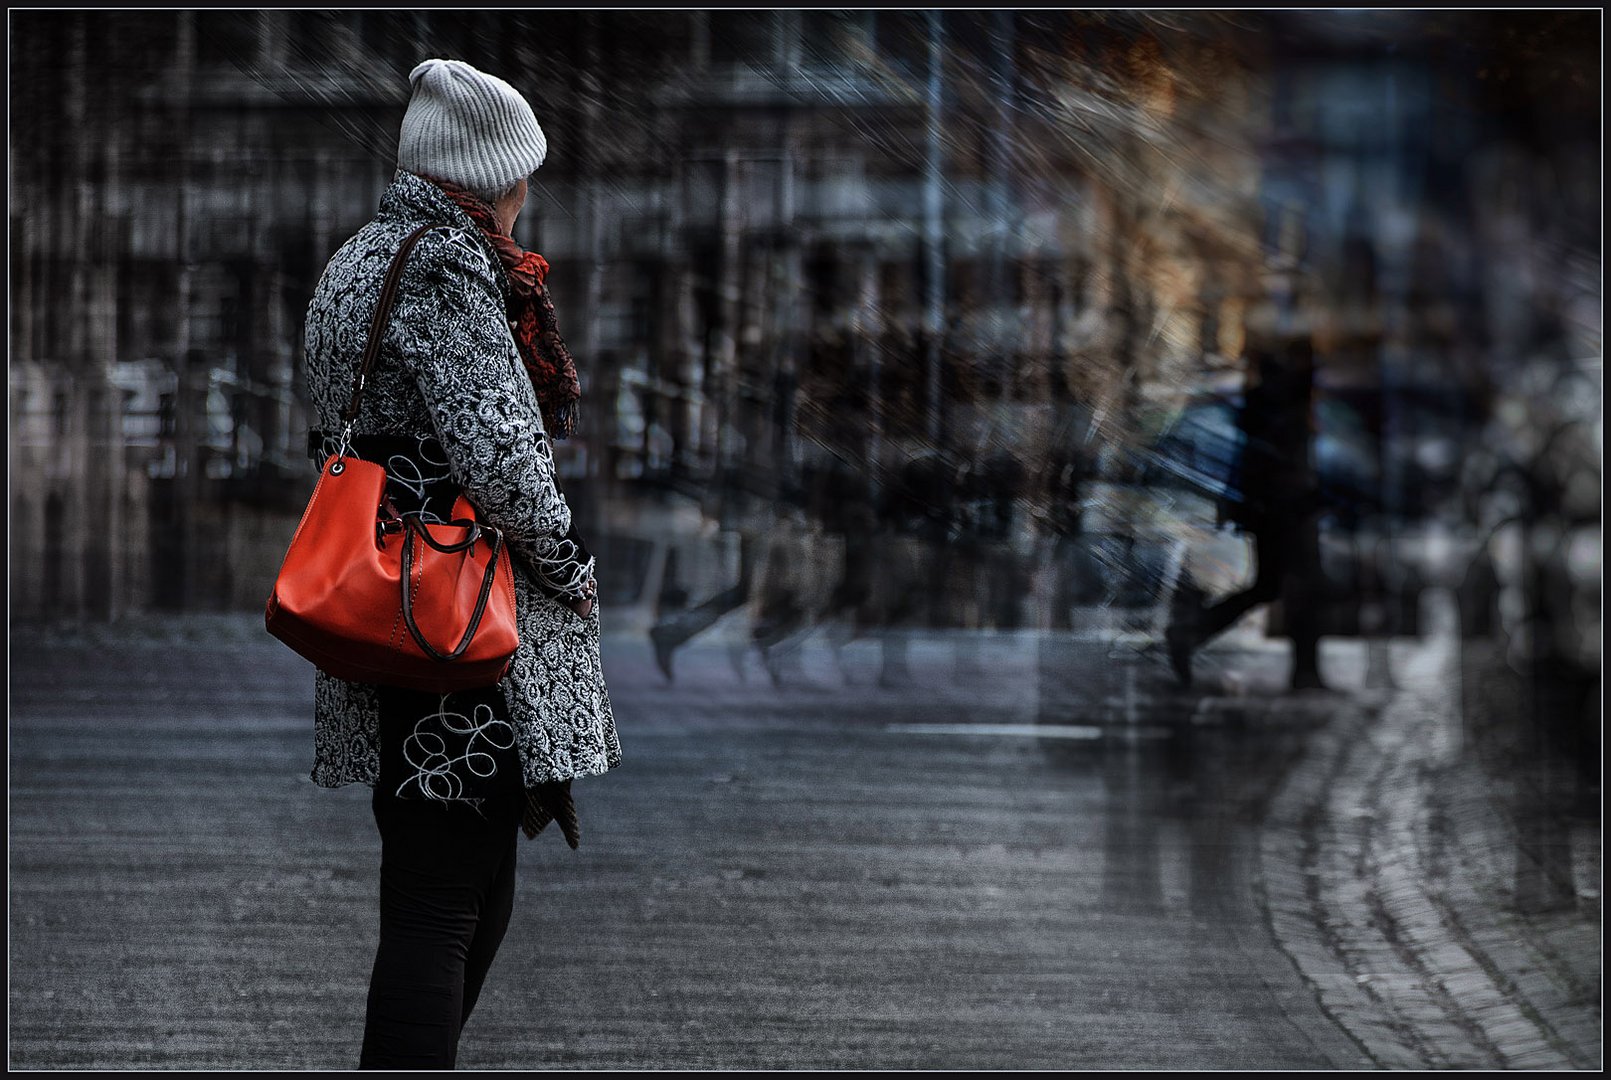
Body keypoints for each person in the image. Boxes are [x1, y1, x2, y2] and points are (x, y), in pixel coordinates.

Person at [300, 58, 620, 1069]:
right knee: (443, 906)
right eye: (521, 177)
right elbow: (501, 452)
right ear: (488, 177)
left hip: (393, 609)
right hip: (453, 625)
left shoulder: (358, 260)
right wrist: (568, 562)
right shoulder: (443, 269)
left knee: (461, 894)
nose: (527, 201)